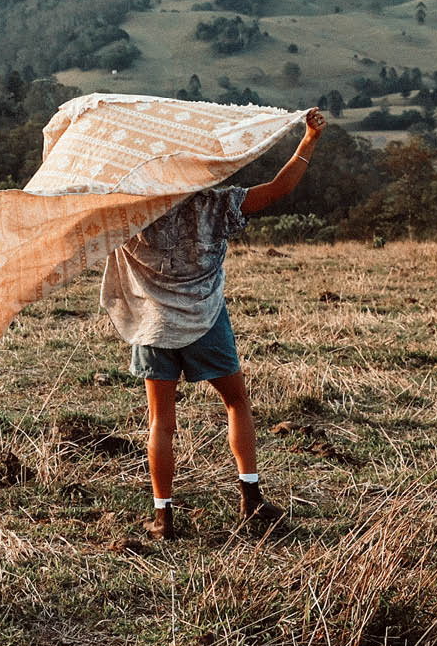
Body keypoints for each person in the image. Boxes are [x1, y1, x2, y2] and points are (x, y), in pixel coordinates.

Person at [100, 108, 326, 540]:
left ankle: (163, 518)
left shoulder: (128, 212)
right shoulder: (215, 205)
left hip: (153, 327)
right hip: (206, 320)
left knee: (161, 423)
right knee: (236, 403)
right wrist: (308, 140)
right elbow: (278, 190)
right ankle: (251, 500)